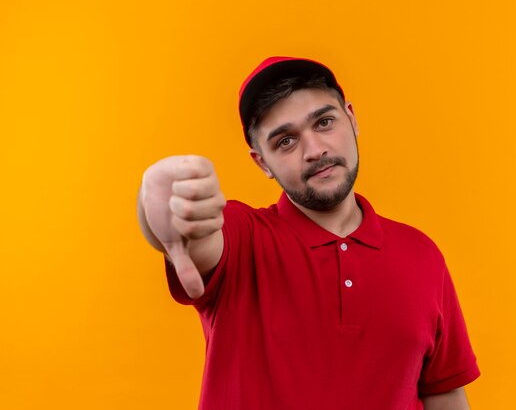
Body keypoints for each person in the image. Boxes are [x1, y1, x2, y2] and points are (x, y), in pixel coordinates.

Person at [137, 57, 480, 410]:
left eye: (324, 122)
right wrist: (162, 210)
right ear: (262, 162)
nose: (315, 150)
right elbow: (200, 236)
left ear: (352, 117)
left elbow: (444, 391)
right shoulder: (243, 237)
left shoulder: (421, 254)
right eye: (286, 141)